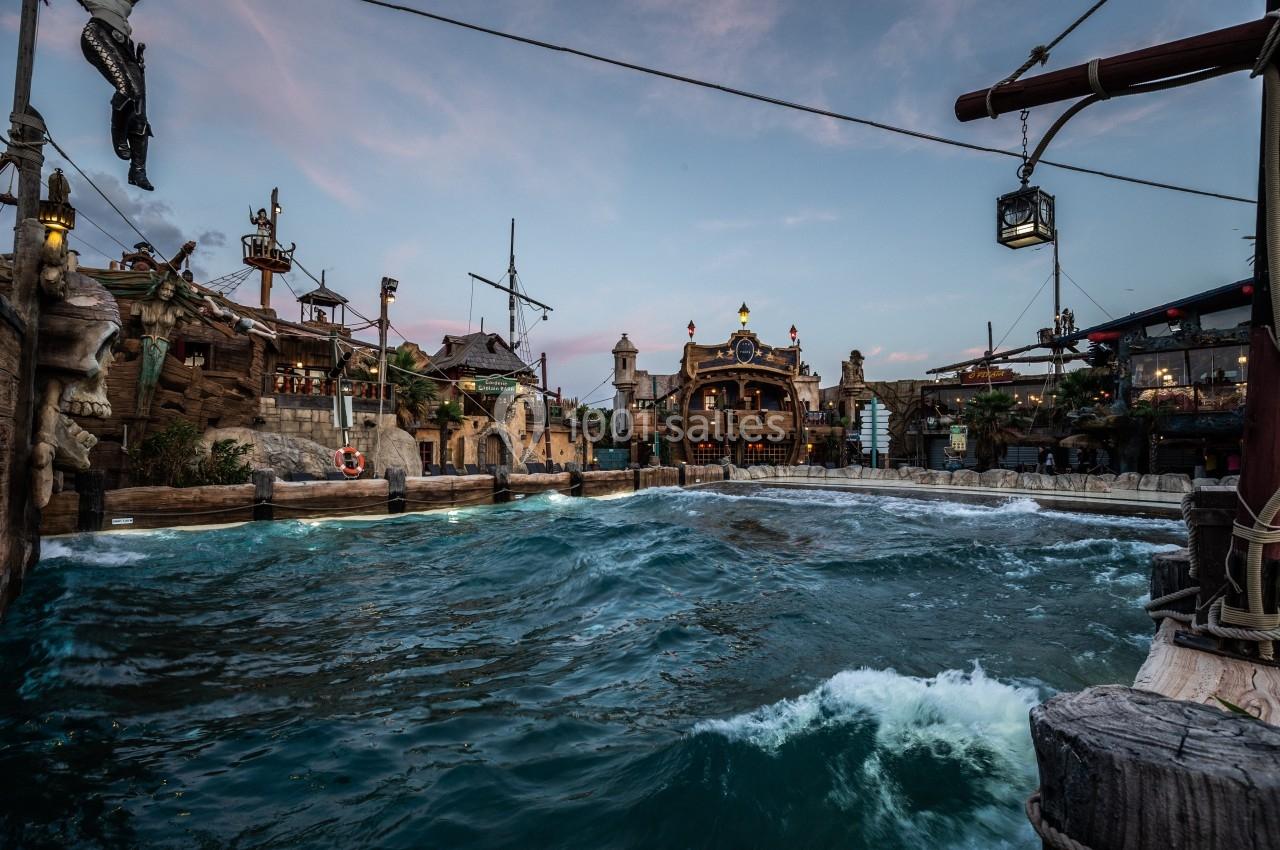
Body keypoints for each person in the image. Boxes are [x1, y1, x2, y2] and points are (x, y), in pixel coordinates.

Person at [78, 1, 153, 191]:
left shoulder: (127, 3)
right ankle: (118, 134)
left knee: (139, 110)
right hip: (99, 34)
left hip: (126, 48)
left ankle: (138, 170)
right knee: (126, 89)